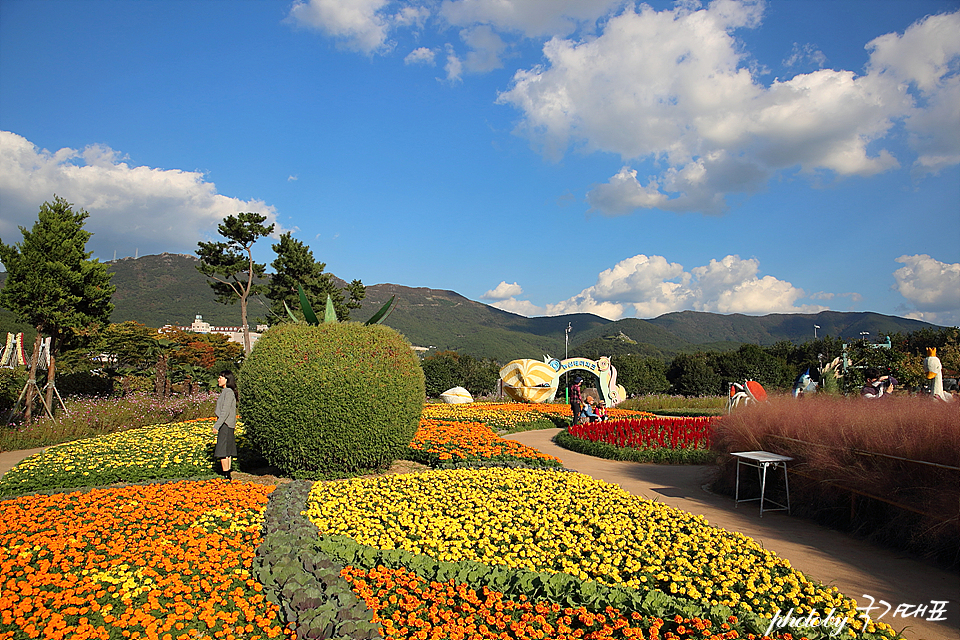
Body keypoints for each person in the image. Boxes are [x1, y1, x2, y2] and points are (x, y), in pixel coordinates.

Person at [212, 371, 238, 479]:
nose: (218, 380)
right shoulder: (226, 392)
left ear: (226, 379)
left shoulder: (228, 392)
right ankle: (227, 474)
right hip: (226, 424)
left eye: (220, 377)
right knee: (227, 451)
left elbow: (225, 411)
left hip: (225, 424)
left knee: (223, 450)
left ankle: (226, 475)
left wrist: (217, 425)